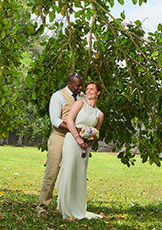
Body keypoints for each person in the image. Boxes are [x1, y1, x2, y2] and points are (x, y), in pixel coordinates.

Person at [37, 72, 83, 216]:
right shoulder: (58, 96)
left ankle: (69, 208)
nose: (80, 88)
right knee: (52, 172)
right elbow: (55, 120)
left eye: (81, 85)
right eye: (78, 85)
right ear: (69, 84)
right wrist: (73, 128)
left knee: (73, 174)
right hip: (59, 137)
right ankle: (42, 207)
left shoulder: (82, 98)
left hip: (75, 139)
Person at [55, 82, 104, 220]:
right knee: (69, 171)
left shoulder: (100, 114)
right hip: (72, 140)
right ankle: (66, 209)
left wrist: (89, 142)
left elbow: (96, 132)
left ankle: (78, 208)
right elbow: (69, 121)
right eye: (87, 89)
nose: (88, 91)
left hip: (84, 147)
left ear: (98, 92)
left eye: (92, 89)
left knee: (80, 174)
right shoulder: (80, 103)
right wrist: (78, 138)